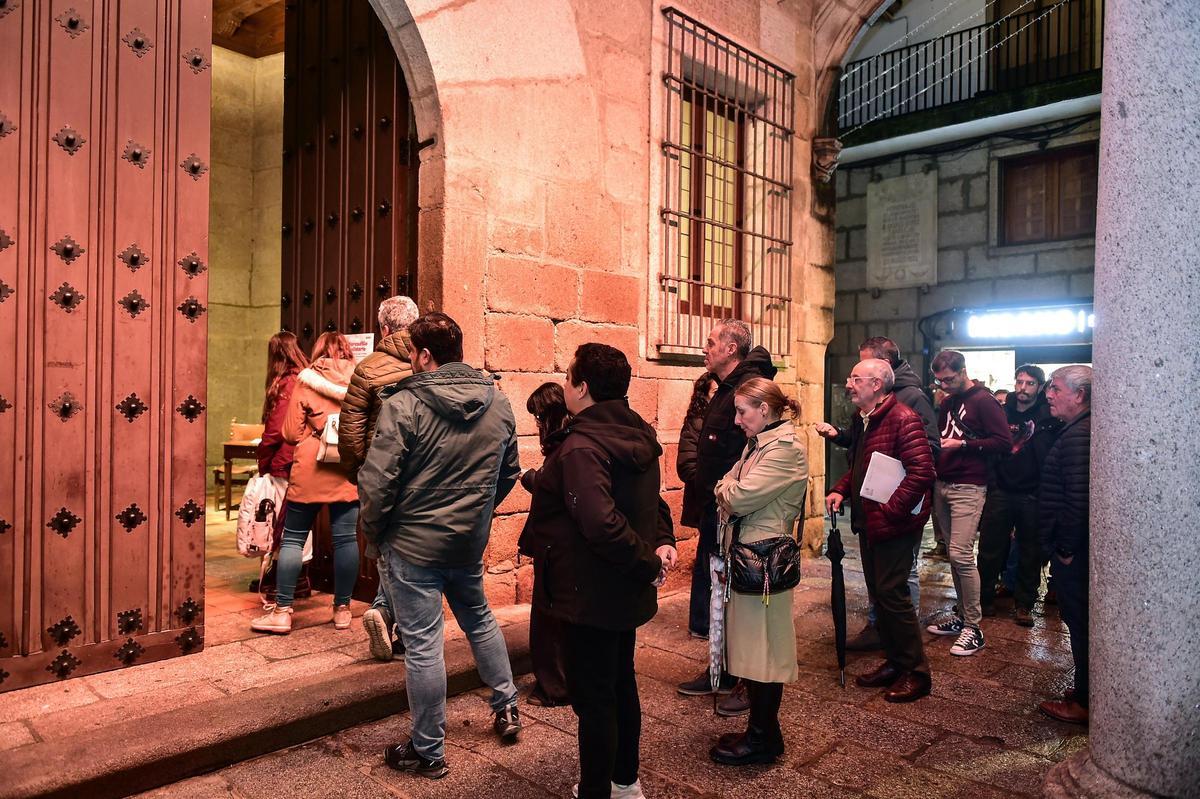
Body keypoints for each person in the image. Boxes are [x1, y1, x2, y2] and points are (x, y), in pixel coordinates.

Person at [358, 312, 522, 779]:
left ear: (425, 354)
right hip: (466, 542)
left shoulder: (403, 404)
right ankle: (507, 706)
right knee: (479, 618)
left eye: (412, 352)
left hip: (412, 544)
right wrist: (477, 513)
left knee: (424, 645)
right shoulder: (498, 402)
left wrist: (376, 533)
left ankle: (428, 750)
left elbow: (378, 482)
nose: (410, 359)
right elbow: (508, 472)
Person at [520, 343, 676, 799]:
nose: (565, 385)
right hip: (619, 589)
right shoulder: (638, 429)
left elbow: (601, 524)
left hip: (590, 593)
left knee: (595, 699)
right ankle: (624, 782)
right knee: (620, 684)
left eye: (569, 377)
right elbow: (648, 502)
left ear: (583, 387)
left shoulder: (581, 446)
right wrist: (657, 546)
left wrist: (650, 564)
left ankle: (598, 790)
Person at [678, 320, 776, 717]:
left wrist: (728, 497)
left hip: (734, 511)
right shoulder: (725, 388)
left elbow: (749, 455)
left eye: (711, 342)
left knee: (737, 598)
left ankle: (745, 682)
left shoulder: (748, 388)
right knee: (720, 595)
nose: (705, 349)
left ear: (731, 348)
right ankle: (720, 670)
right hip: (715, 507)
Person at [708, 378, 808, 766]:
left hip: (764, 559)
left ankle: (763, 738)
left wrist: (726, 488)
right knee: (754, 648)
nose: (736, 420)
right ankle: (762, 732)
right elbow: (731, 484)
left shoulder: (784, 449)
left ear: (764, 409)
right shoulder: (759, 444)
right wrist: (729, 486)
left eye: (741, 411)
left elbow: (738, 496)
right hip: (749, 553)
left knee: (766, 650)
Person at [816, 336, 938, 651]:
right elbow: (863, 461)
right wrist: (842, 489)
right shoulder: (864, 418)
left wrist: (891, 510)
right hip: (870, 516)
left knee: (894, 592)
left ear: (877, 382)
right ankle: (889, 648)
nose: (848, 384)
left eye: (856, 378)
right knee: (880, 589)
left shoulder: (905, 412)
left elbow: (924, 468)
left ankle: (910, 663)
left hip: (892, 517)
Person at [251, 332, 359, 635]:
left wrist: (313, 434)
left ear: (318, 351)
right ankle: (342, 610)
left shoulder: (307, 380)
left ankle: (282, 612)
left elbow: (289, 433)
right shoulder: (360, 380)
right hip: (346, 467)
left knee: (293, 539)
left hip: (310, 467)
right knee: (346, 540)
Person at [337, 295, 420, 662]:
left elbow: (351, 432)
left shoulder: (368, 367)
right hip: (422, 472)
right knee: (408, 550)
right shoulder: (427, 362)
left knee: (387, 546)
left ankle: (386, 611)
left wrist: (359, 473)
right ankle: (392, 620)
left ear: (384, 328)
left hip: (381, 471)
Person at [925, 351, 1011, 656]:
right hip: (944, 482)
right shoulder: (949, 401)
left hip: (969, 485)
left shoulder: (984, 400)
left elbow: (1003, 442)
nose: (945, 385)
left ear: (963, 372)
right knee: (953, 554)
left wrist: (963, 444)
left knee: (962, 555)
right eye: (940, 381)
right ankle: (962, 616)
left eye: (949, 379)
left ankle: (974, 626)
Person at [977, 365, 1061, 625]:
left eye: (1030, 383)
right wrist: (993, 482)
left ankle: (1024, 605)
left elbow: (1052, 454)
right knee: (990, 549)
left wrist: (1044, 489)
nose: (1023, 388)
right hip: (1001, 489)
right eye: (1020, 382)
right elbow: (990, 447)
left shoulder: (1048, 415)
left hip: (1032, 492)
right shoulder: (1001, 412)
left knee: (1030, 552)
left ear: (1040, 387)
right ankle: (983, 599)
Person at [1036, 365, 1092, 725]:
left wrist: (1066, 549)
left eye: (1055, 389)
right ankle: (1087, 689)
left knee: (1081, 624)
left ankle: (1085, 700)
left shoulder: (1077, 436)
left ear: (1080, 395)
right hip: (1074, 548)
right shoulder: (1078, 430)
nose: (1049, 395)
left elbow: (1078, 499)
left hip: (1075, 552)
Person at [517, 381, 572, 708]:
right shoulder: (567, 441)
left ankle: (554, 686)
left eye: (538, 417)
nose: (536, 423)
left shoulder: (564, 444)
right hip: (557, 543)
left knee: (548, 619)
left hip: (555, 544)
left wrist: (528, 477)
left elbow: (555, 488)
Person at [677, 371, 718, 544]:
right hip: (706, 503)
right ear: (705, 396)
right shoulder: (696, 423)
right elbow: (687, 465)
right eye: (715, 392)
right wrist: (713, 488)